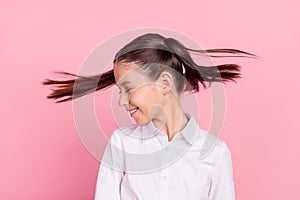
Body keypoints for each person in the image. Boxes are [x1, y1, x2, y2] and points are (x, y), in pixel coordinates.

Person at [42, 33, 258, 199]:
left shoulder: (215, 154)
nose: (121, 101)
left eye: (128, 88)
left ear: (164, 83)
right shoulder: (122, 144)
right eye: (120, 90)